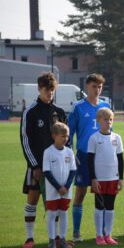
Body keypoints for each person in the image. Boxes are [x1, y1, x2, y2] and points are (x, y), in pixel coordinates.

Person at [20, 73, 66, 248]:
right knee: (33, 198)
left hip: (56, 168)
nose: (50, 93)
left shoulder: (59, 112)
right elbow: (25, 140)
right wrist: (35, 166)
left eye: (53, 90)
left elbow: (66, 139)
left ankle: (54, 239)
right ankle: (29, 238)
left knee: (54, 204)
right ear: (39, 89)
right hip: (37, 167)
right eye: (47, 90)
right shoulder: (30, 112)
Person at [68, 73, 110, 241]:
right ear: (87, 87)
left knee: (103, 193)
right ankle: (76, 232)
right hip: (84, 156)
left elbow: (110, 132)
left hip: (102, 157)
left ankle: (102, 232)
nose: (97, 89)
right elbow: (69, 133)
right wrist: (71, 153)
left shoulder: (106, 105)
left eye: (100, 86)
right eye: (94, 86)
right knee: (81, 192)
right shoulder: (78, 107)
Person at [87, 108, 124, 245]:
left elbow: (120, 159)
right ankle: (99, 235)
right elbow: (89, 160)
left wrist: (121, 178)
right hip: (99, 179)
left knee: (110, 207)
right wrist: (93, 179)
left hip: (113, 179)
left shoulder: (117, 138)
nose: (108, 122)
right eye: (105, 119)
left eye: (110, 119)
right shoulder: (94, 138)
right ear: (98, 121)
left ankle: (108, 235)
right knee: (99, 206)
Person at [43, 122, 76, 248]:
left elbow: (73, 170)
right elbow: (47, 171)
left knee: (64, 213)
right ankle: (51, 241)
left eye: (67, 136)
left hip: (66, 191)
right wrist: (58, 187)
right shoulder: (48, 152)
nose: (65, 139)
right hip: (53, 191)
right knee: (52, 214)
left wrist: (66, 187)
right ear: (54, 136)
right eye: (63, 136)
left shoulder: (69, 152)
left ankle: (62, 239)